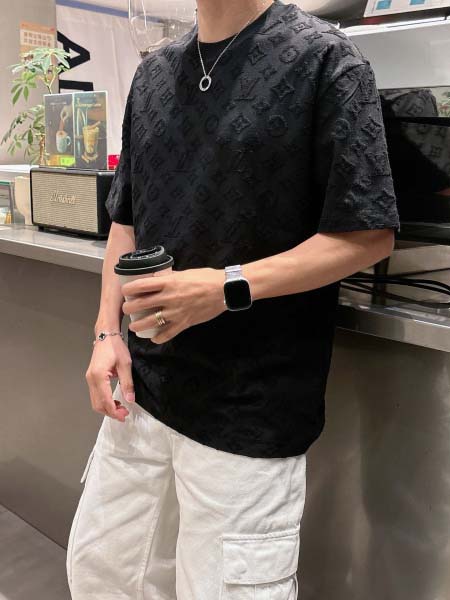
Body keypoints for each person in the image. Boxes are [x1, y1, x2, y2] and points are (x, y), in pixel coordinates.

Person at [66, 0, 400, 598]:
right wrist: (106, 333)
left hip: (249, 409)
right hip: (141, 394)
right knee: (101, 575)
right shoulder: (152, 74)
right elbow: (127, 219)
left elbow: (367, 233)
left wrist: (226, 285)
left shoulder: (326, 60)